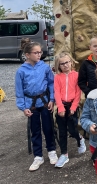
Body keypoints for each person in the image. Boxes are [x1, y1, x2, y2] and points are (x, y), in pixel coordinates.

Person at [15, 38, 58, 171]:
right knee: (35, 131)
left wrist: (52, 99)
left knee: (48, 127)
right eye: (35, 52)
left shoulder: (44, 67)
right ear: (27, 54)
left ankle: (51, 151)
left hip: (45, 102)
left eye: (40, 52)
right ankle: (38, 156)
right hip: (31, 104)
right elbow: (19, 90)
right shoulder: (21, 71)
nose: (39, 55)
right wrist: (23, 107)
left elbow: (51, 83)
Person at [53, 52, 86, 168]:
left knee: (72, 130)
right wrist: (60, 107)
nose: (65, 65)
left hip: (72, 105)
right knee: (62, 132)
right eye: (62, 64)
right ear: (58, 65)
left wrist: (73, 107)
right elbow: (56, 92)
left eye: (67, 62)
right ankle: (64, 154)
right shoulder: (57, 77)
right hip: (62, 106)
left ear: (71, 62)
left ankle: (80, 138)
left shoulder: (76, 75)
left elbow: (78, 93)